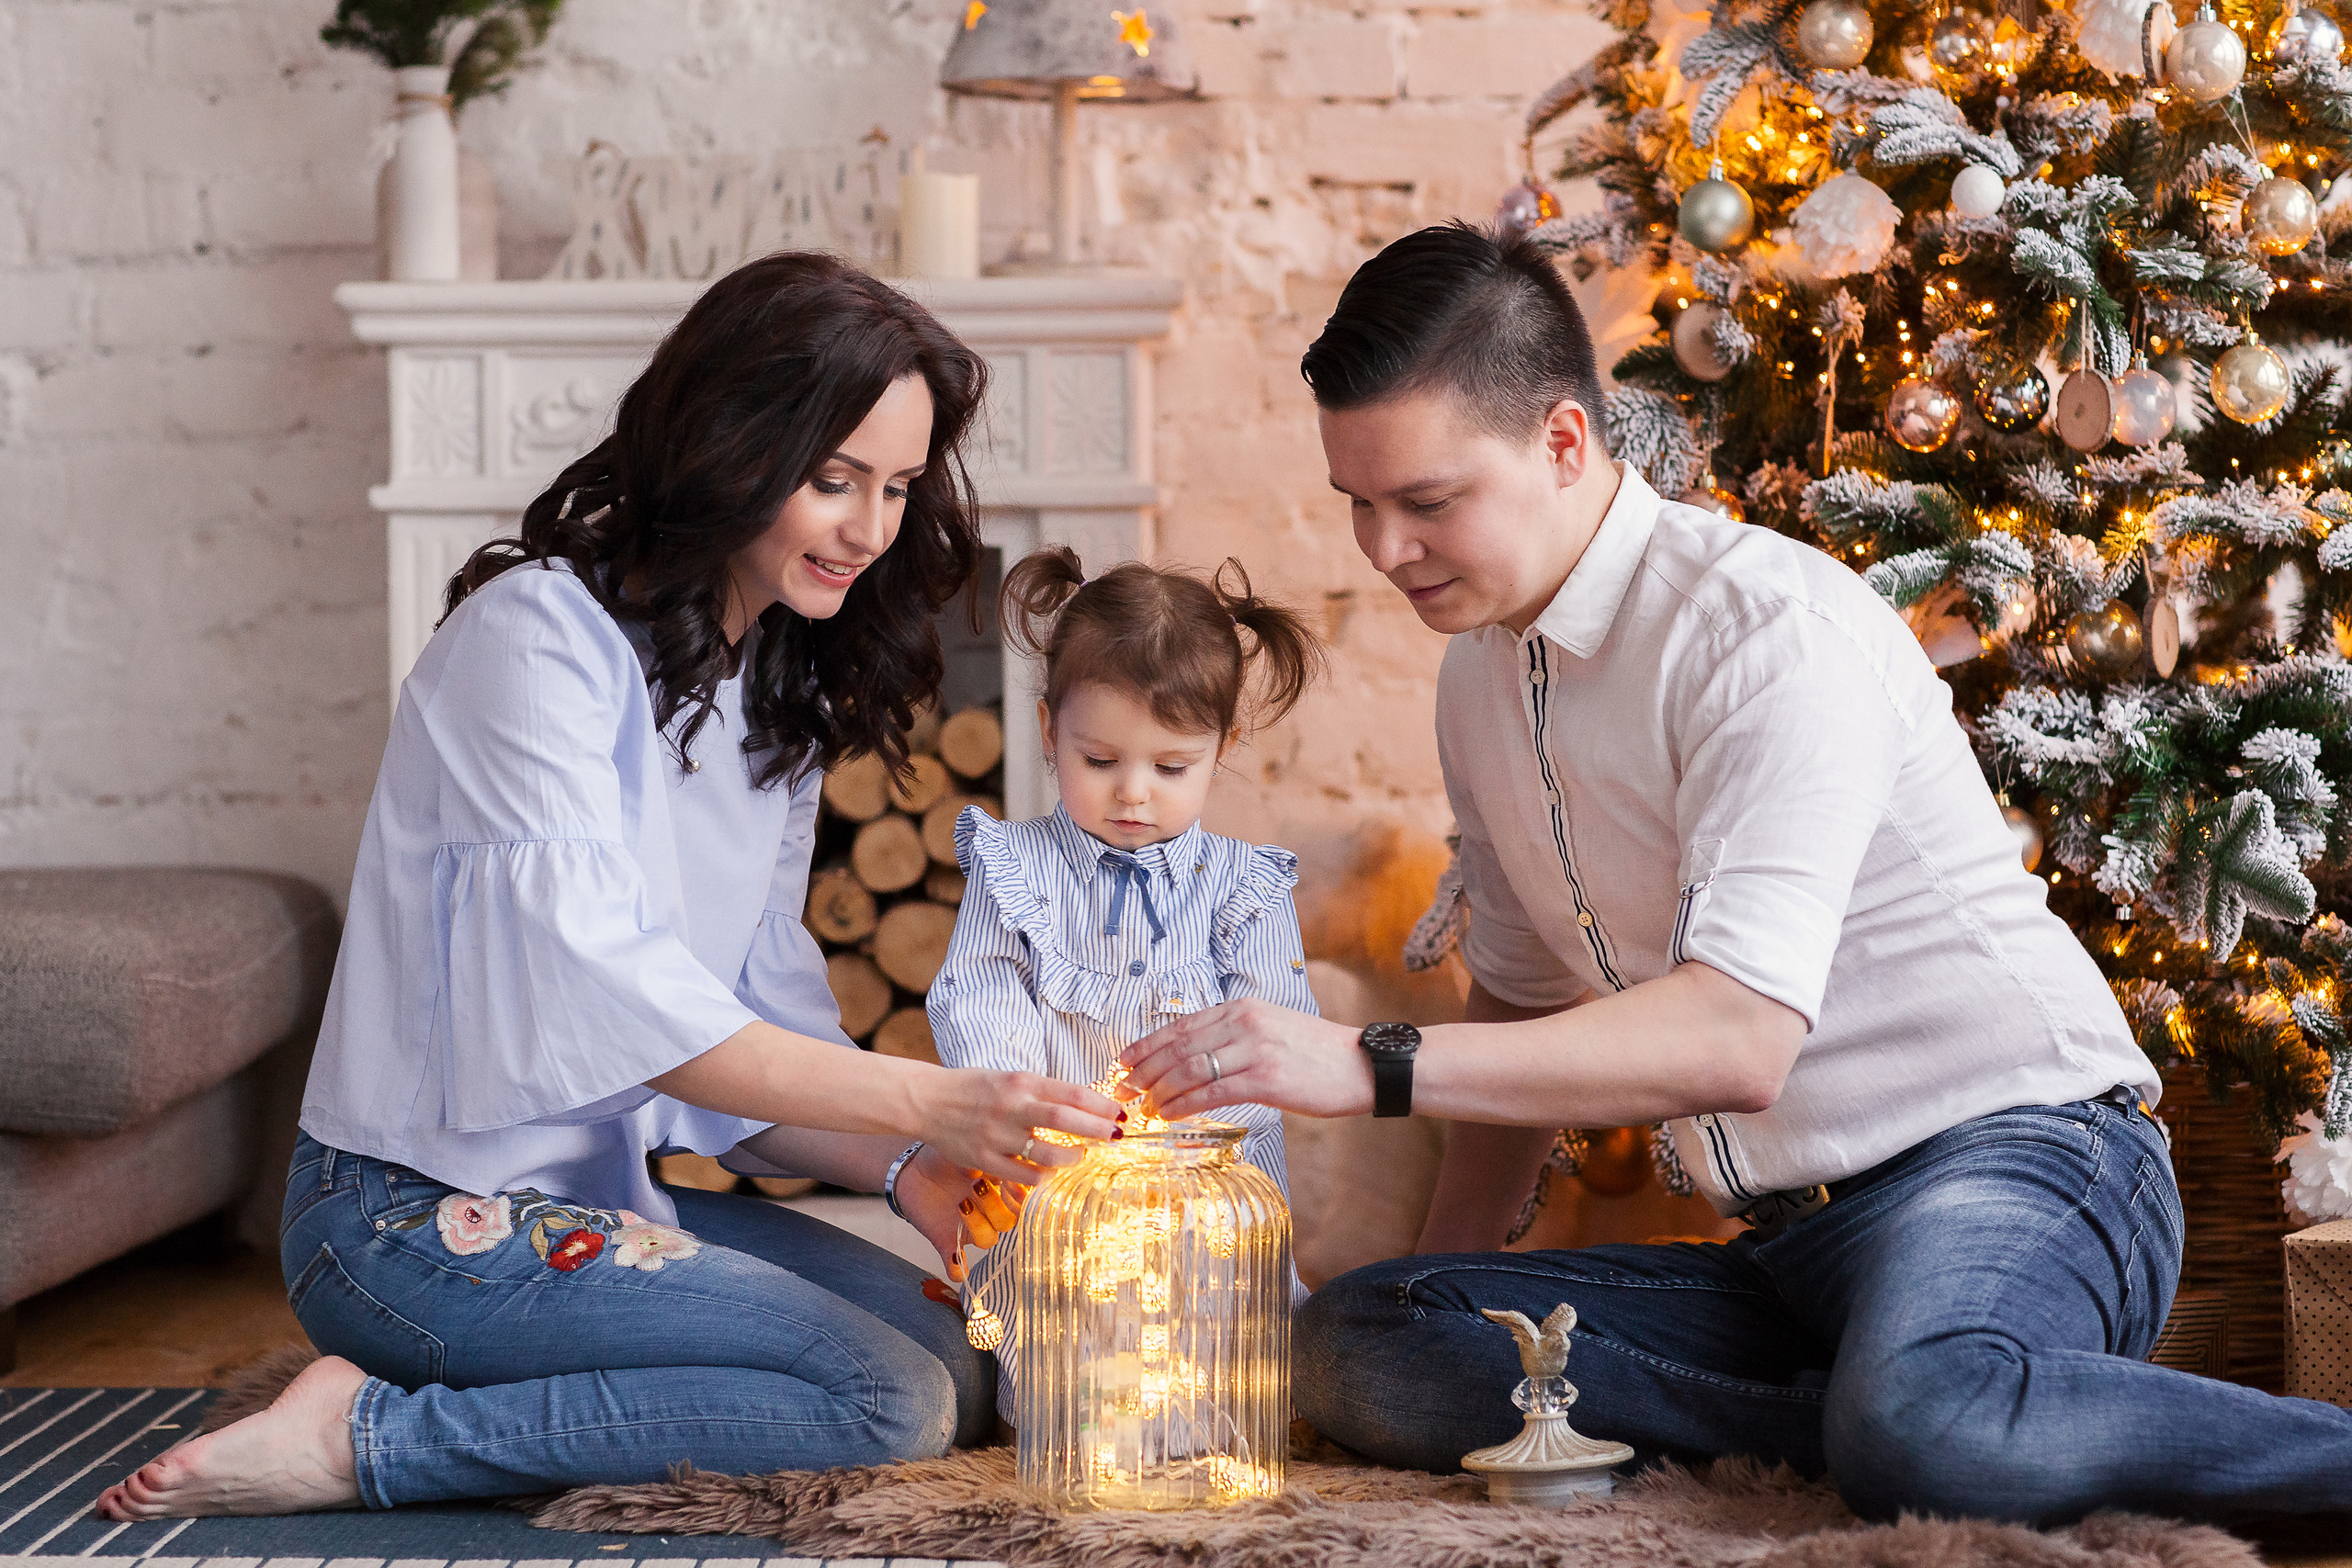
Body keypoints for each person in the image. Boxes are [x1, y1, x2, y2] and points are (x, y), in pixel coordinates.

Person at [1117, 222, 2352, 1525]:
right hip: (1787, 1249)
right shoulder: (1476, 676)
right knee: (1365, 1341)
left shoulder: (1764, 631)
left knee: (1926, 1422)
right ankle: (1891, 1412)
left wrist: (1367, 1062)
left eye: (1425, 502)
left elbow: (1737, 1037)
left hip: (2019, 1160)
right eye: (1356, 503)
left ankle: (1927, 1412)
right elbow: (1521, 998)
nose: (1383, 548)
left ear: (1564, 441)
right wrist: (1445, 1291)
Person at [97, 253, 1121, 1522]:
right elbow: (628, 1014)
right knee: (885, 1400)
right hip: (401, 1222)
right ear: (733, 447)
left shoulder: (772, 690)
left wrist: (915, 1167)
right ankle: (363, 1438)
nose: (870, 529)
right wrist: (941, 1099)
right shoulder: (535, 641)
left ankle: (457, 1387)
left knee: (959, 1365)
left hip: (592, 1203)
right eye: (833, 478)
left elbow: (756, 1049)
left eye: (899, 487)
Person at [928, 547, 1324, 1410]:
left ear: (1221, 748)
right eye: (1100, 760)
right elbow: (978, 993)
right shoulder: (1015, 868)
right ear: (1048, 732)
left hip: (1203, 1186)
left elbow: (1278, 1038)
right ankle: (1070, 1417)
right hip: (1061, 1181)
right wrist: (1030, 1105)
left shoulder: (1245, 888)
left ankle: (1214, 1419)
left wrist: (1190, 1132)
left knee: (1220, 1363)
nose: (1133, 794)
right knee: (1070, 1356)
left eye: (1170, 768)